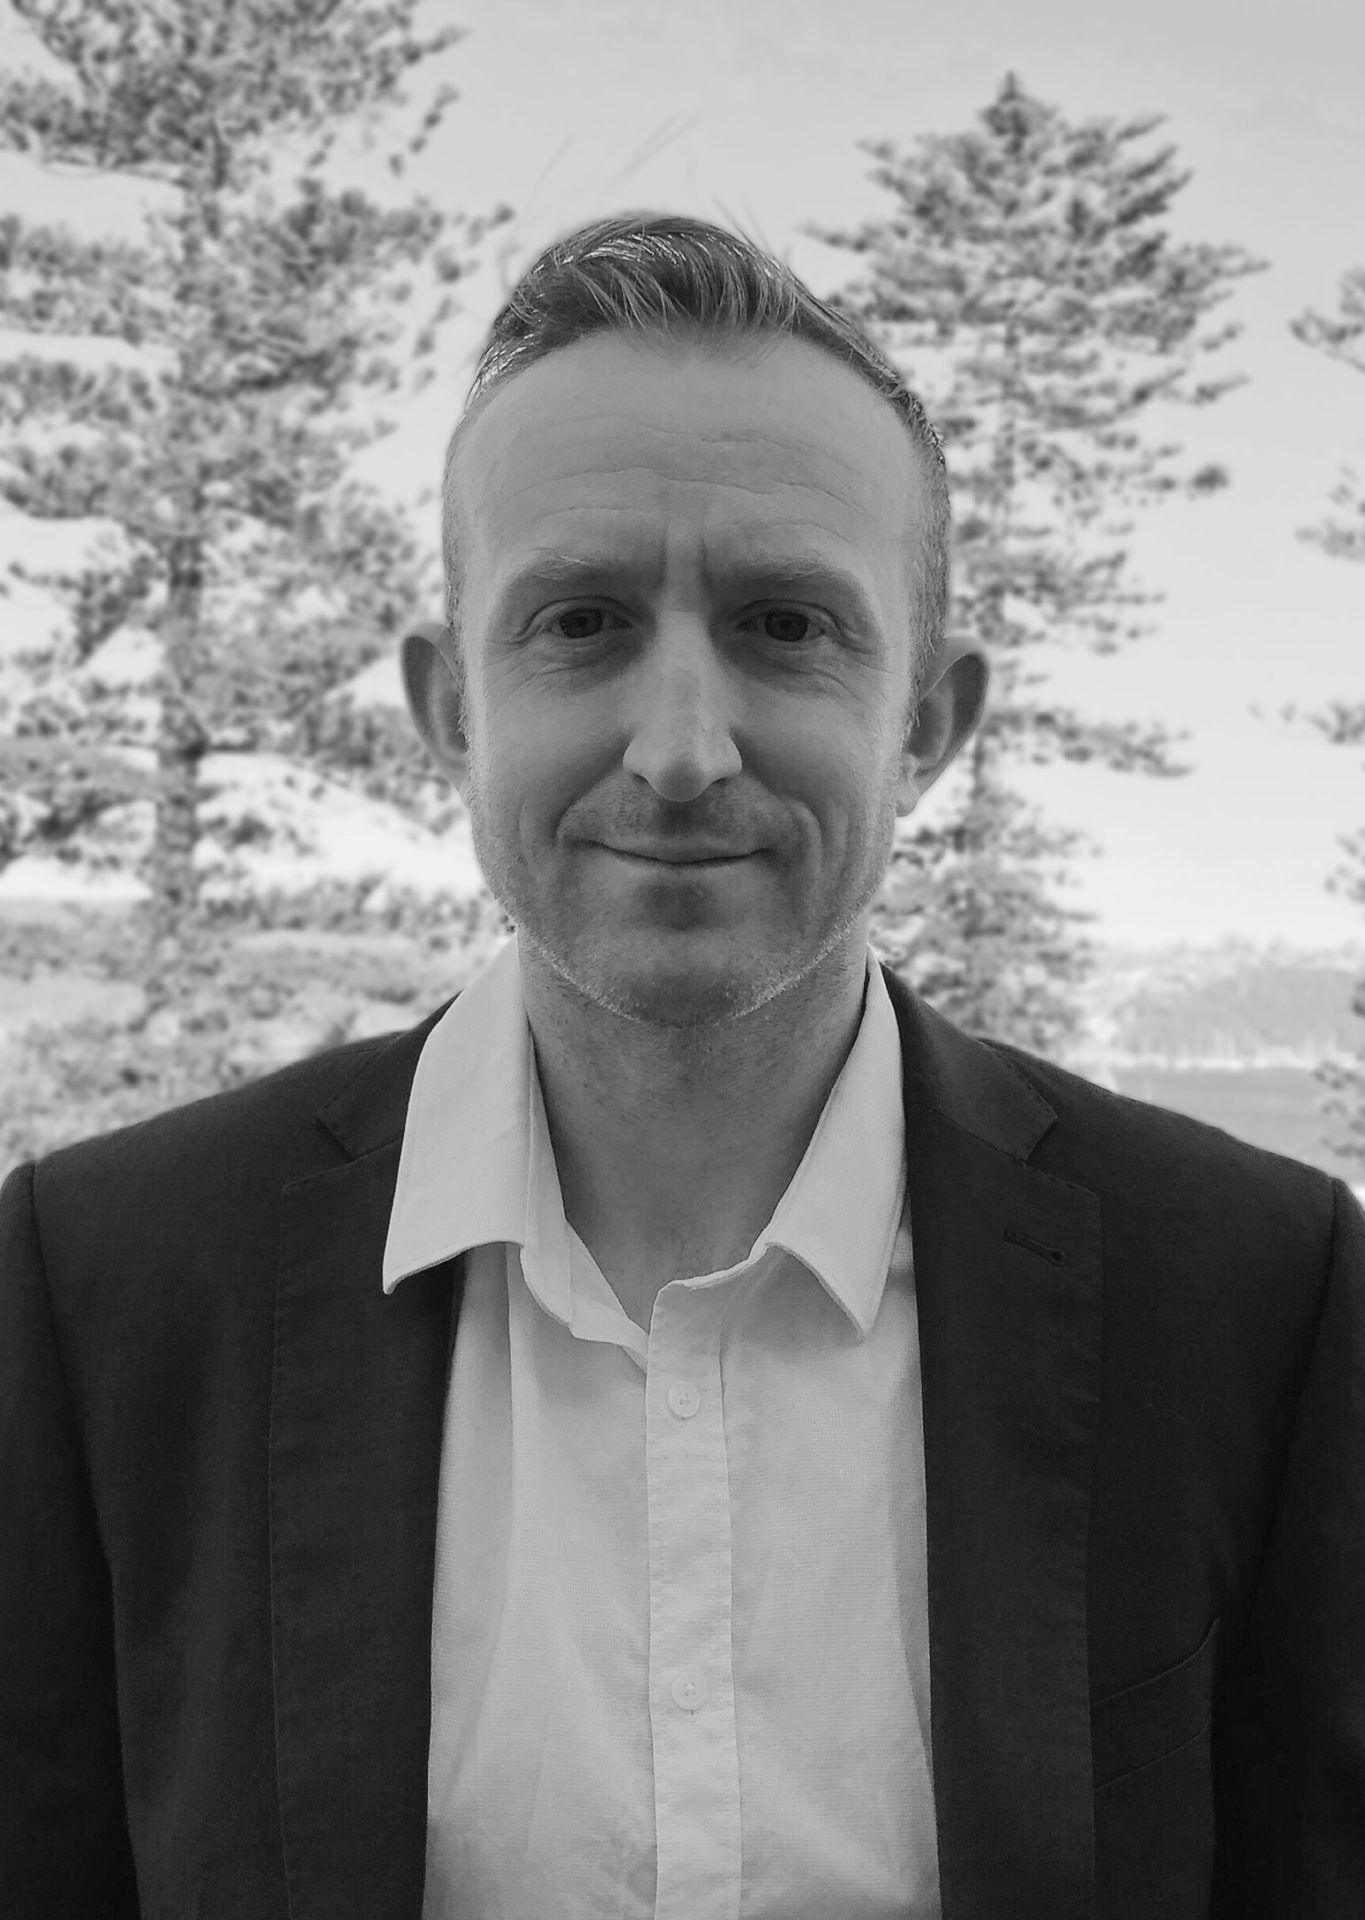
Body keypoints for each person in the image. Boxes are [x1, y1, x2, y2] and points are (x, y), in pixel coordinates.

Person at [1, 212, 1361, 1920]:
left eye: (785, 624)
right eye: (578, 622)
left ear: (928, 723)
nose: (678, 750)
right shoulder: (105, 1288)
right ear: (449, 709)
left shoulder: (1253, 1297)